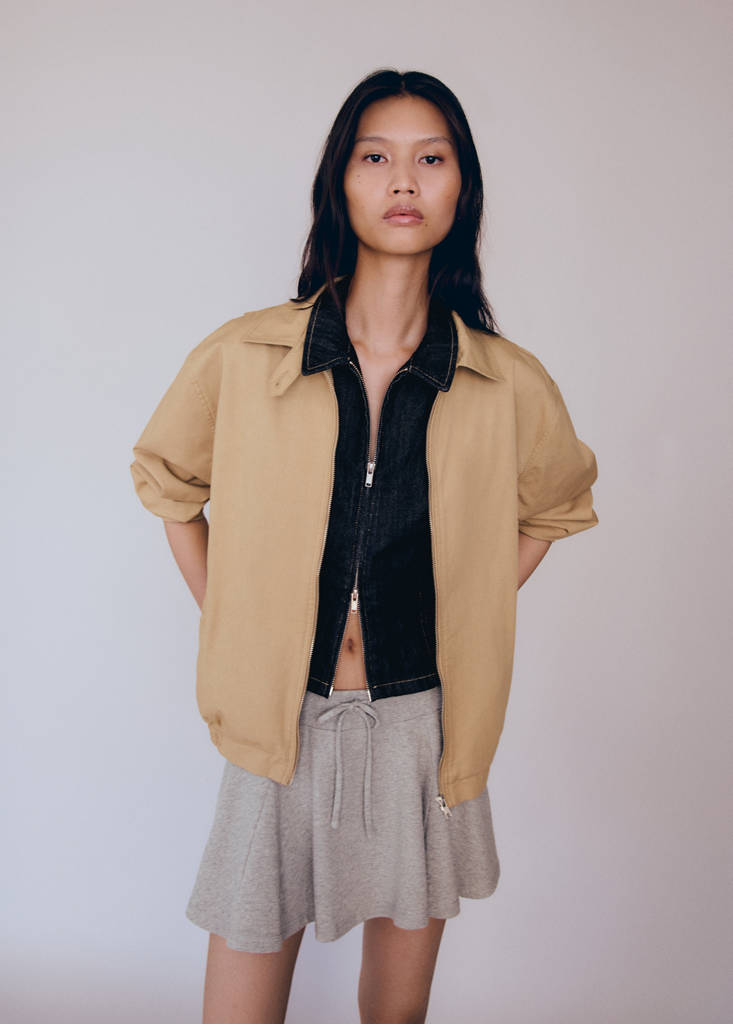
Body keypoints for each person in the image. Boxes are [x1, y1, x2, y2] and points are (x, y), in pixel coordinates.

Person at [129, 68, 599, 1024]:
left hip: (425, 725)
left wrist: (466, 604)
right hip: (278, 726)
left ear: (461, 188)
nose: (403, 180)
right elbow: (167, 480)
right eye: (375, 156)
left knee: (394, 1015)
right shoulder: (246, 354)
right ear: (339, 182)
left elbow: (554, 505)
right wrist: (235, 616)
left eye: (432, 158)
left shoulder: (505, 381)